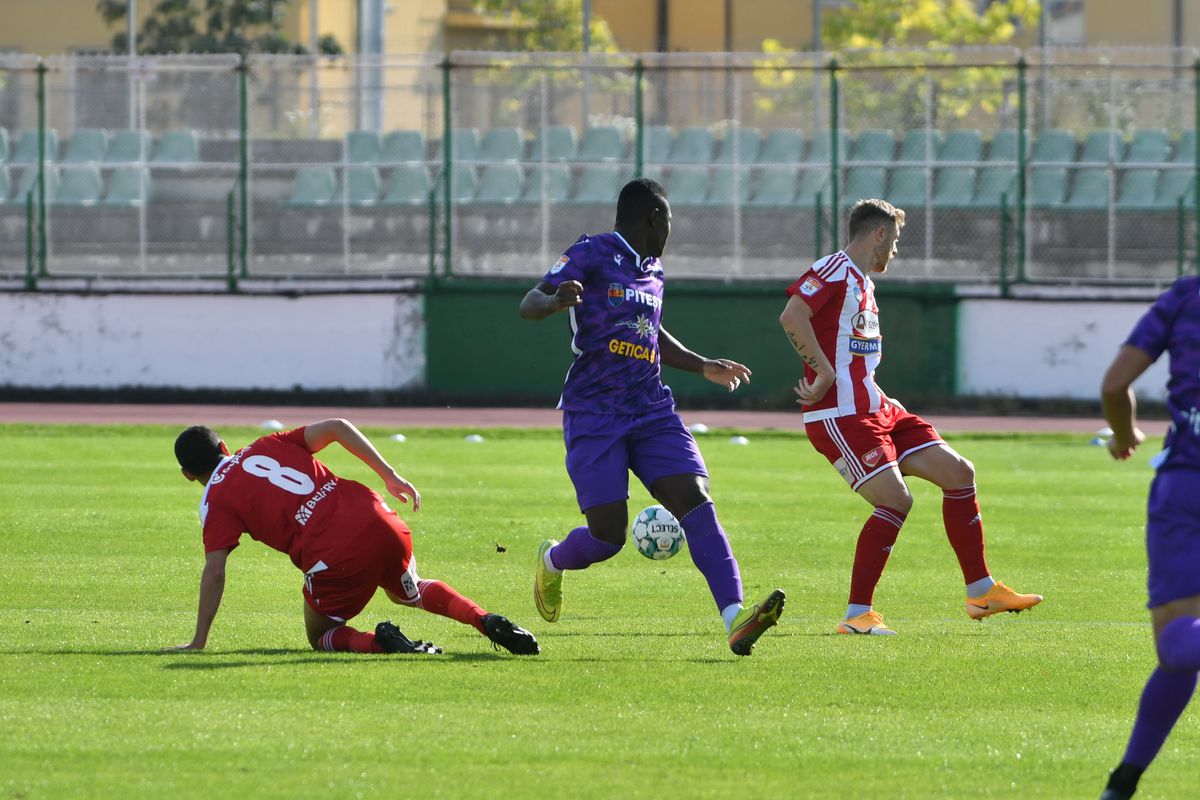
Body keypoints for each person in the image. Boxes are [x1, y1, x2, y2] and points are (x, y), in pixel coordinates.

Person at [518, 177, 785, 656]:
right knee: (607, 537)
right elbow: (529, 302)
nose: (670, 231)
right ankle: (553, 560)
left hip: (650, 408)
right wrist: (557, 301)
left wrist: (703, 364)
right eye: (670, 221)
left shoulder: (654, 270)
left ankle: (735, 618)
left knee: (696, 499)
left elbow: (652, 334)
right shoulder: (592, 251)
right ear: (654, 218)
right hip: (594, 410)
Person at [778, 198, 1042, 635]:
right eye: (895, 240)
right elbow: (792, 315)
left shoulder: (863, 283)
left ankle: (981, 592)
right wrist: (823, 371)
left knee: (959, 473)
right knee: (895, 500)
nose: (895, 251)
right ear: (879, 233)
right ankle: (856, 616)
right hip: (841, 415)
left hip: (878, 407)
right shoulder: (834, 269)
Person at [168, 418, 539, 656]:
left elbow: (215, 571)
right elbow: (337, 426)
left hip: (335, 555)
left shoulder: (215, 500)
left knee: (321, 636)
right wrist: (390, 475)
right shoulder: (266, 444)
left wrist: (199, 640)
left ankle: (380, 642)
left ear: (187, 475)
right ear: (225, 448)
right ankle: (484, 619)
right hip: (378, 517)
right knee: (411, 591)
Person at [1098, 277, 1200, 799]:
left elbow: (1115, 386)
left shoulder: (1185, 297)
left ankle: (1122, 783)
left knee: (1179, 646)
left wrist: (1122, 435)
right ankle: (1125, 778)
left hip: (1186, 486)